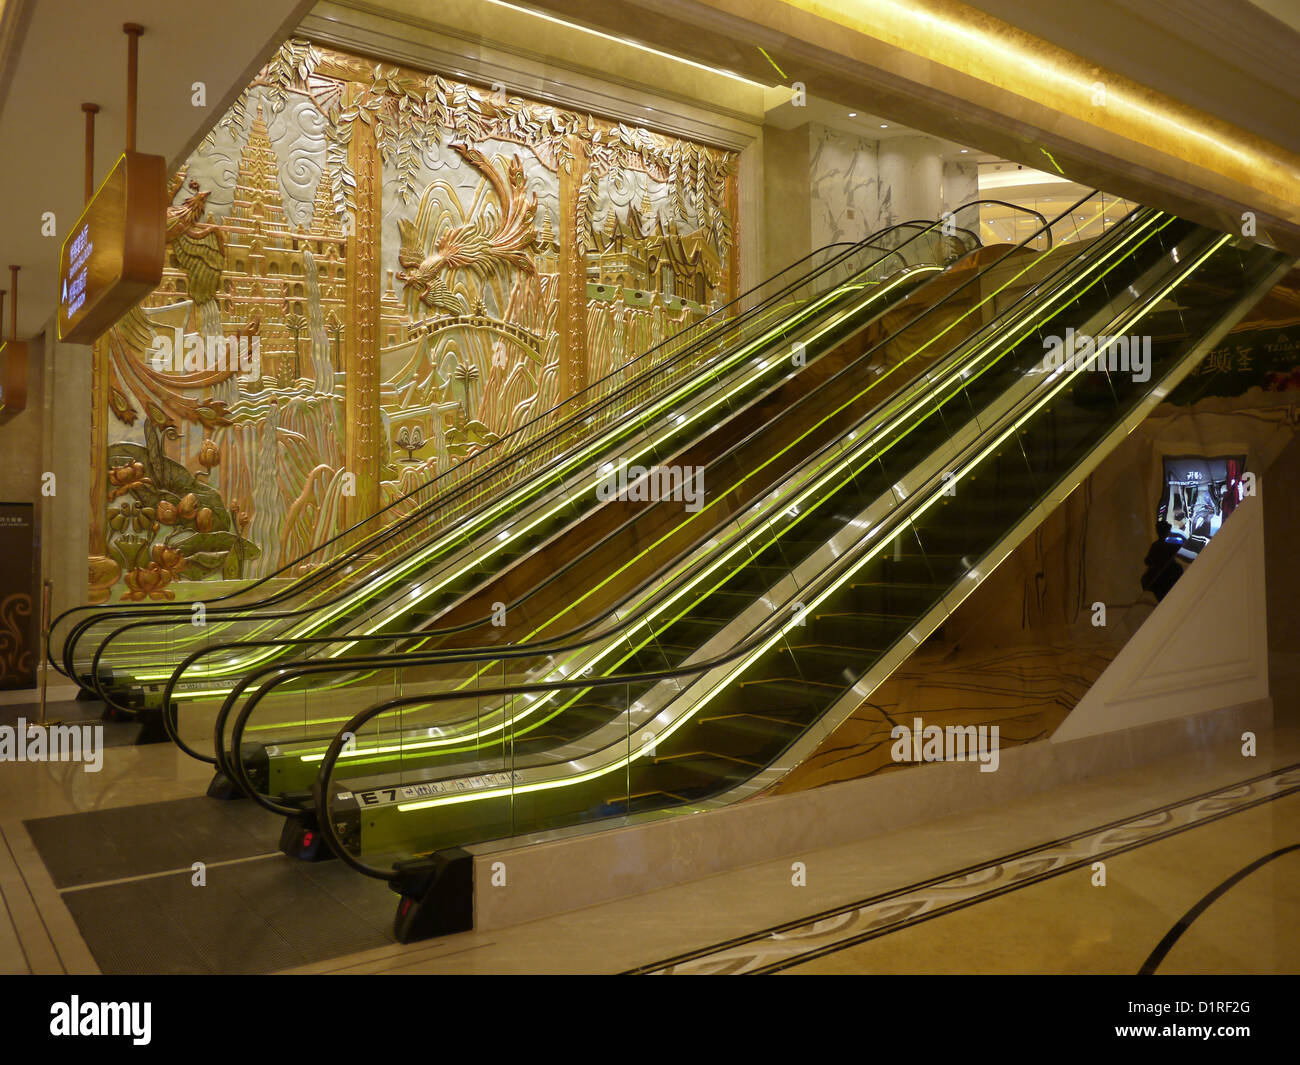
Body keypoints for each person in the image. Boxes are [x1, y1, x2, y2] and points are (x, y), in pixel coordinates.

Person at [1141, 520, 1183, 602]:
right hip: (1166, 578)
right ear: (1167, 531)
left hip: (1161, 579)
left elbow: (1148, 560)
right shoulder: (1169, 546)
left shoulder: (1156, 545)